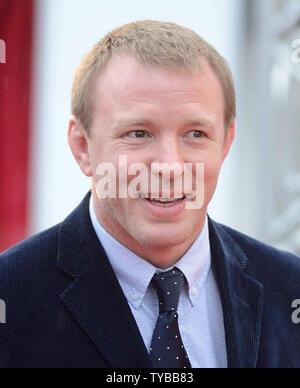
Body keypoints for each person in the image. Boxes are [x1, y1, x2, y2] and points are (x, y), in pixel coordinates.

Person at [0, 20, 300, 369]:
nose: (170, 166)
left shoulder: (289, 289)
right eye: (139, 133)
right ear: (83, 147)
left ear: (226, 143)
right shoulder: (12, 297)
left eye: (196, 134)